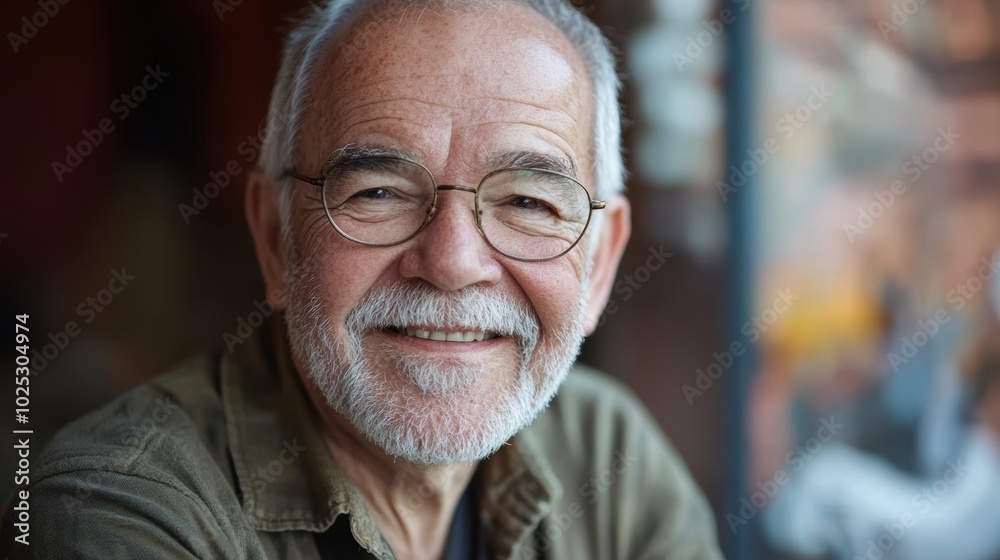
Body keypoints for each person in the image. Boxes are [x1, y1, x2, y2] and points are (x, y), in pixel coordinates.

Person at [1, 1, 723, 558]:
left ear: (600, 261)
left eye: (529, 203)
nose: (452, 263)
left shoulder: (609, 456)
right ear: (276, 237)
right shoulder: (117, 508)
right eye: (378, 192)